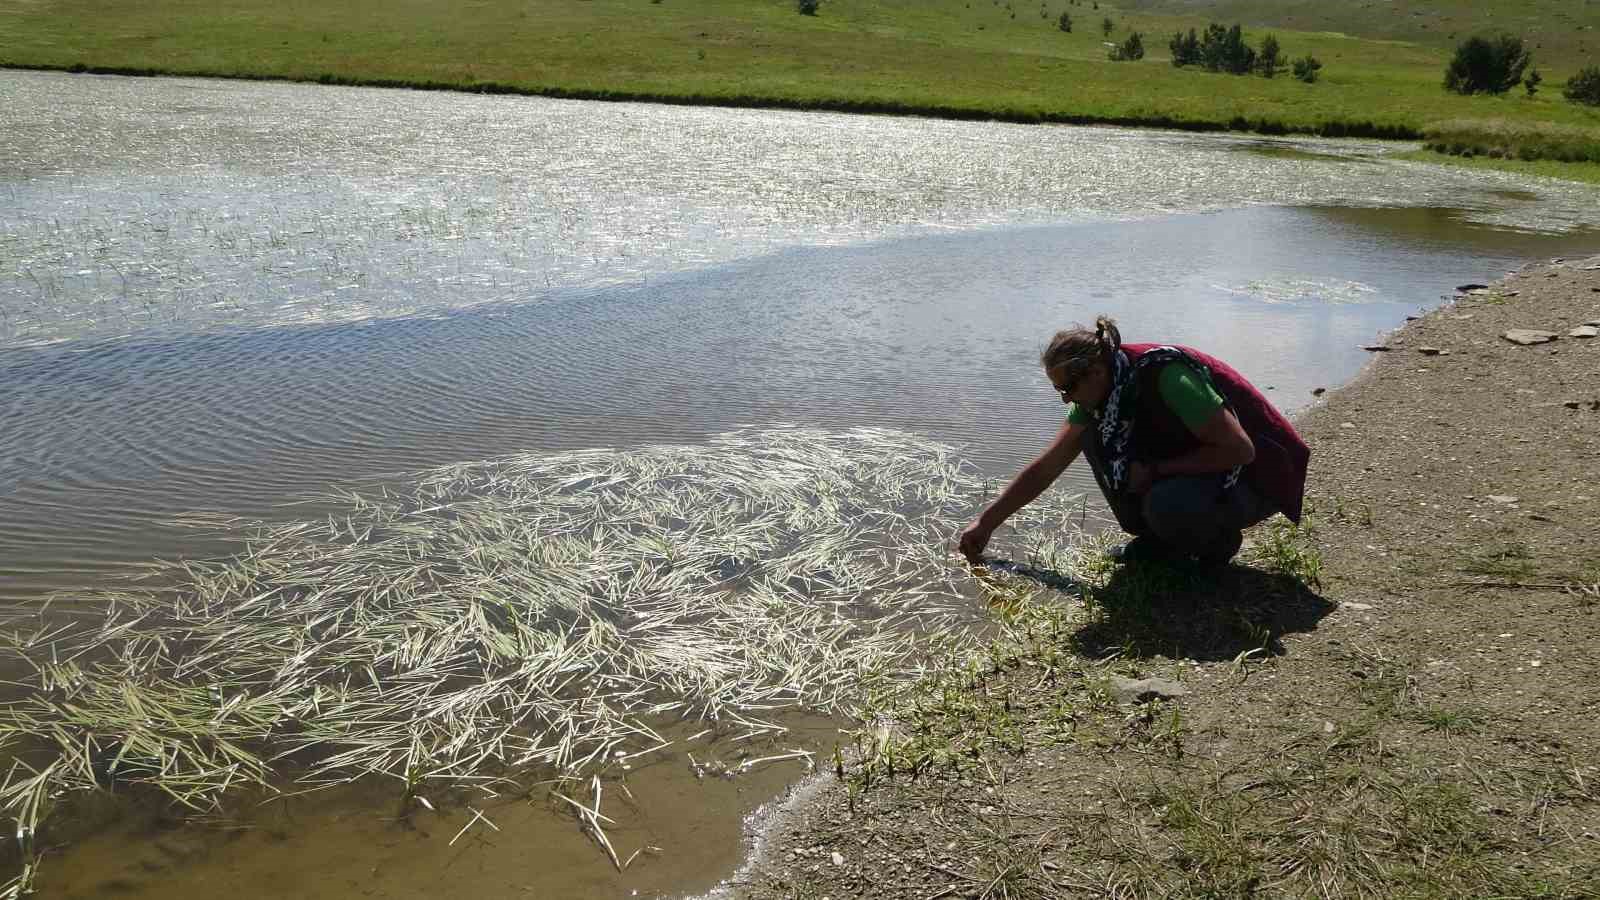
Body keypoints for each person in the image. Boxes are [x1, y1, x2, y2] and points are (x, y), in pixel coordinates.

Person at [959, 316, 1310, 567]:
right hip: (1205, 471)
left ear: (1096, 371)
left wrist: (1156, 470)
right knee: (1094, 439)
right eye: (1058, 390)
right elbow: (1048, 466)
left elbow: (1241, 450)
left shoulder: (1165, 374)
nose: (1065, 399)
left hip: (1258, 480)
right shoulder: (1104, 397)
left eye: (1067, 388)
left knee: (1164, 502)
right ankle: (1159, 540)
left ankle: (1216, 546)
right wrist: (986, 522)